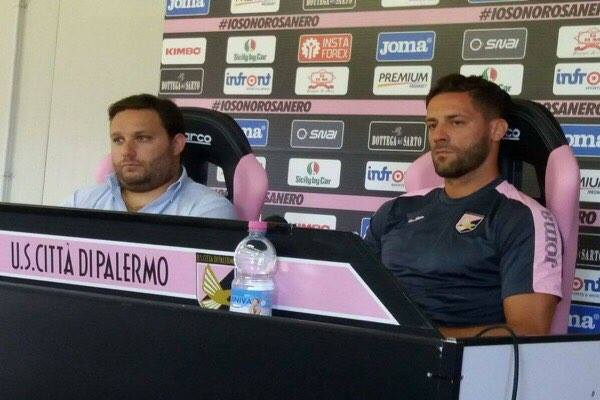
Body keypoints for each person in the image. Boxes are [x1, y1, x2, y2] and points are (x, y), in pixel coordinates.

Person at [364, 74, 562, 338]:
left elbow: (529, 331)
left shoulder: (521, 217)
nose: (439, 136)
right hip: (376, 351)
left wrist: (425, 340)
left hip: (457, 360)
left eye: (456, 122)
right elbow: (356, 294)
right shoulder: (395, 210)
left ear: (497, 130)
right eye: (432, 125)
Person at [64, 94, 237, 219]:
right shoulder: (80, 203)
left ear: (176, 144)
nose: (127, 151)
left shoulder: (208, 210)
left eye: (142, 138)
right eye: (118, 140)